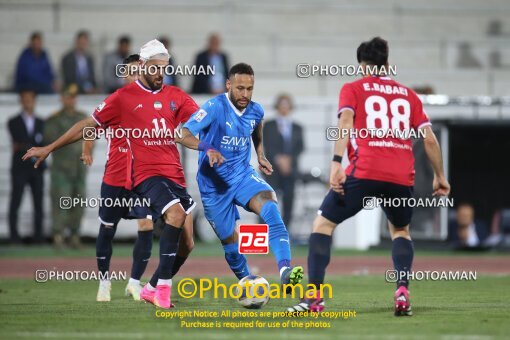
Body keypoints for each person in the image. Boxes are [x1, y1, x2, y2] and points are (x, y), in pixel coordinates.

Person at [23, 39, 223, 309]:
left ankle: (150, 287)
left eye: (164, 67)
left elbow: (197, 126)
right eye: (155, 67)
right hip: (143, 176)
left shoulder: (176, 96)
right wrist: (50, 147)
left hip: (175, 176)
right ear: (143, 66)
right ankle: (147, 286)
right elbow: (88, 126)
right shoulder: (123, 98)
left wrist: (216, 140)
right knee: (134, 223)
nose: (160, 72)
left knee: (187, 244)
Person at [286, 37, 451, 316]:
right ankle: (401, 291)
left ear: (362, 65)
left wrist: (336, 162)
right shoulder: (408, 95)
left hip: (365, 171)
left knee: (323, 224)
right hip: (400, 177)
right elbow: (430, 140)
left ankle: (313, 299)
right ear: (387, 63)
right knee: (400, 231)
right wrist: (440, 176)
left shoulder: (353, 88)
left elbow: (346, 122)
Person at [81, 54, 194, 302]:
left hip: (139, 179)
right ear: (124, 75)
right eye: (130, 72)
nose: (134, 76)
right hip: (114, 177)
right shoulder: (118, 102)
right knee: (108, 227)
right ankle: (104, 282)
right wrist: (87, 149)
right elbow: (91, 126)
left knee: (145, 224)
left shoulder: (149, 100)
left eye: (137, 71)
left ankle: (135, 283)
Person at [180, 63, 303, 289]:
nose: (245, 94)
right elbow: (183, 134)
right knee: (231, 244)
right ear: (228, 85)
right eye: (240, 88)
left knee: (270, 209)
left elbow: (256, 127)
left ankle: (285, 270)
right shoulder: (215, 107)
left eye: (249, 88)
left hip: (243, 176)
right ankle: (248, 283)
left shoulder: (256, 110)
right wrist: (207, 147)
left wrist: (260, 154)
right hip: (213, 187)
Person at [44, 84, 88, 248]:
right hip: (62, 170)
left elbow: (90, 138)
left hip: (79, 169)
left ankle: (75, 236)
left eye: (73, 97)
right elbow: (50, 140)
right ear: (62, 99)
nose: (71, 100)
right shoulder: (54, 120)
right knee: (61, 202)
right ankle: (58, 236)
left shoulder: (82, 117)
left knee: (79, 203)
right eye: (68, 97)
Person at [7, 90, 46, 244]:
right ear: (21, 101)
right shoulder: (13, 121)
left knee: (38, 202)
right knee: (16, 200)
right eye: (25, 99)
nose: (28, 102)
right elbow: (19, 141)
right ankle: (14, 237)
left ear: (34, 101)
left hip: (36, 166)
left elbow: (38, 144)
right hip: (20, 167)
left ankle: (38, 236)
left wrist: (27, 147)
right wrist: (33, 148)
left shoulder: (41, 122)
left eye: (30, 99)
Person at [263, 94, 304, 231]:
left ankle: (284, 233)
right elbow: (267, 145)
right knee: (268, 202)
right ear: (277, 106)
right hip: (272, 171)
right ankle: (264, 233)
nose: (284, 108)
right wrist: (279, 159)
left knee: (289, 203)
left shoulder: (298, 127)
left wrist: (289, 160)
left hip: (290, 172)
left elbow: (300, 147)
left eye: (287, 105)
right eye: (282, 105)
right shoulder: (268, 125)